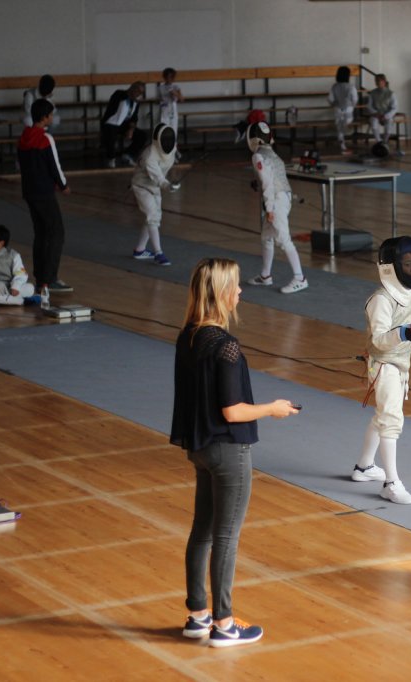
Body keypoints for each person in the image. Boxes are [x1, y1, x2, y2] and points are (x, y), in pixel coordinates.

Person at [170, 257, 300, 647]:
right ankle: (224, 623)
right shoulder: (225, 346)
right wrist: (273, 408)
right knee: (225, 537)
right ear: (222, 292)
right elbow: (233, 411)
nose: (241, 291)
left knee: (202, 532)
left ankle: (198, 615)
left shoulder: (188, 336)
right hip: (228, 452)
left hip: (201, 448)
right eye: (236, 285)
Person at [352, 236, 411, 505]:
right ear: (391, 267)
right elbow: (378, 340)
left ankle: (364, 467)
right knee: (391, 419)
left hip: (400, 363)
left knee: (383, 415)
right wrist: (404, 333)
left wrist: (406, 334)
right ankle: (391, 483)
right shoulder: (381, 300)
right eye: (406, 263)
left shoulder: (406, 293)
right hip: (384, 365)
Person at [244, 122, 308, 294]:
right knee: (267, 236)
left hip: (276, 200)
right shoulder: (273, 154)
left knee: (283, 239)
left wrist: (270, 208)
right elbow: (270, 178)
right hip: (282, 197)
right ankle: (265, 275)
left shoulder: (258, 156)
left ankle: (300, 278)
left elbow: (268, 184)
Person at [18, 98, 72, 293]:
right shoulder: (45, 139)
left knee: (41, 234)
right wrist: (63, 185)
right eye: (50, 114)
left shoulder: (23, 137)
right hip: (44, 194)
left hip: (29, 192)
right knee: (56, 233)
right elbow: (54, 165)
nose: (52, 117)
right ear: (44, 117)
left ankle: (41, 279)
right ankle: (50, 279)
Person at [131, 124, 178, 266]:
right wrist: (167, 185)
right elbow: (158, 177)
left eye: (170, 139)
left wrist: (170, 185)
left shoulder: (172, 149)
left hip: (155, 187)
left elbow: (162, 174)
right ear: (158, 140)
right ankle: (158, 253)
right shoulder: (149, 156)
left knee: (154, 217)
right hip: (141, 186)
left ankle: (140, 250)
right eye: (165, 139)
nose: (168, 142)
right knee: (152, 216)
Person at [100, 81, 147, 168]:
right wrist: (130, 96)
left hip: (123, 125)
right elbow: (121, 97)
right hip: (111, 123)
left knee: (142, 135)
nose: (139, 94)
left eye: (141, 93)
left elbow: (134, 118)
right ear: (132, 88)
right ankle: (111, 158)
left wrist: (131, 129)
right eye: (138, 91)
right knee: (111, 134)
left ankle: (127, 155)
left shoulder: (135, 102)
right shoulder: (119, 94)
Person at [328, 65, 358, 154]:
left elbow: (330, 99)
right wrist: (352, 106)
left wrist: (334, 105)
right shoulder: (351, 87)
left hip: (337, 109)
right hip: (348, 110)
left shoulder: (334, 86)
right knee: (344, 126)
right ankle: (343, 146)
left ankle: (342, 145)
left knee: (339, 128)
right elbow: (355, 99)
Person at [366, 73, 398, 149]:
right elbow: (369, 106)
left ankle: (385, 142)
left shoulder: (391, 93)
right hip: (376, 114)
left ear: (384, 81)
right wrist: (375, 113)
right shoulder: (372, 93)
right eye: (375, 81)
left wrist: (386, 115)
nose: (376, 82)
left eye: (378, 80)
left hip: (387, 115)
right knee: (373, 124)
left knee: (388, 129)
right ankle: (379, 142)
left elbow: (394, 108)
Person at [158, 68, 183, 158]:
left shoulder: (176, 86)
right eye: (167, 77)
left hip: (173, 110)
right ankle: (166, 151)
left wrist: (175, 94)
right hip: (164, 110)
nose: (169, 79)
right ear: (164, 77)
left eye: (171, 77)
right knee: (164, 130)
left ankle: (174, 150)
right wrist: (162, 103)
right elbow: (159, 99)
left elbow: (182, 99)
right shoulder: (160, 87)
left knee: (173, 130)